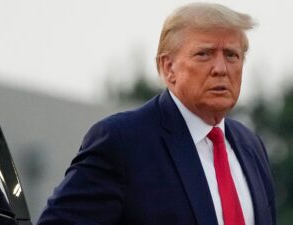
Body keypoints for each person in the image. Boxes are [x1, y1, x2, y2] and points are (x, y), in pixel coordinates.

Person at [37, 2, 276, 225]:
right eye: (204, 54)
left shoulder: (251, 145)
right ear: (168, 67)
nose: (221, 69)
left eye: (232, 55)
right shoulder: (123, 142)